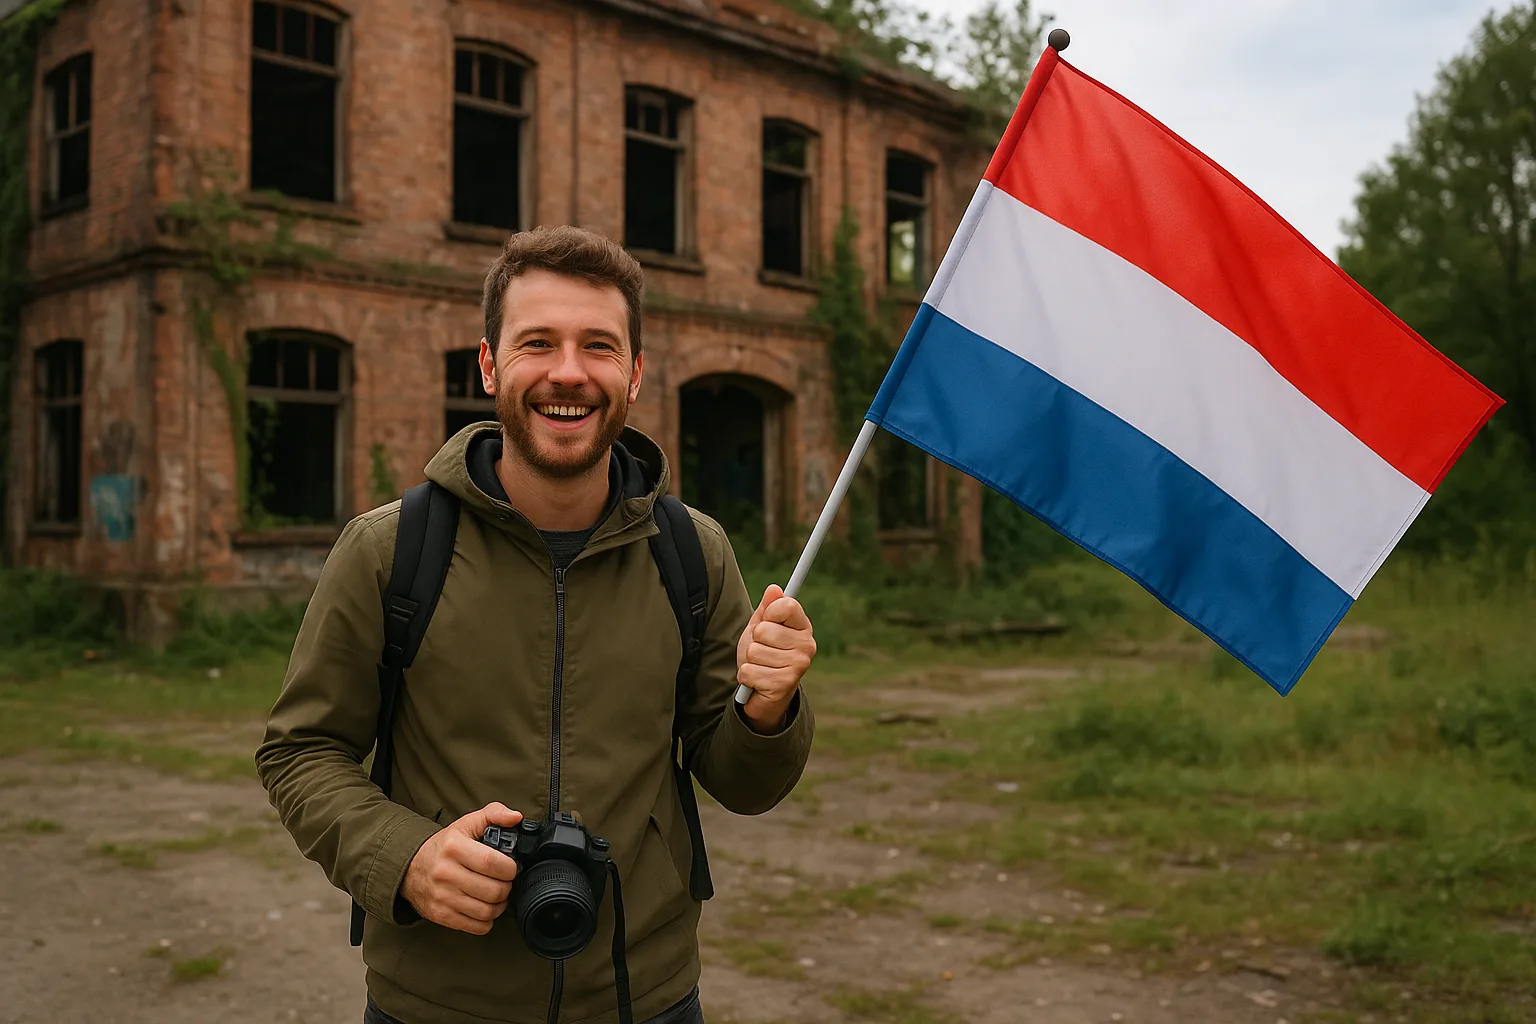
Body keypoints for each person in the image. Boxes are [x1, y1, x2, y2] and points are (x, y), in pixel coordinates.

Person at [255, 226, 818, 1024]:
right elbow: (301, 752)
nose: (568, 373)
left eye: (598, 346)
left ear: (635, 374)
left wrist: (767, 711)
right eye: (537, 343)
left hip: (646, 999)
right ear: (488, 364)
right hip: (435, 1003)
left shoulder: (692, 553)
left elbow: (741, 782)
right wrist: (404, 857)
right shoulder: (391, 551)